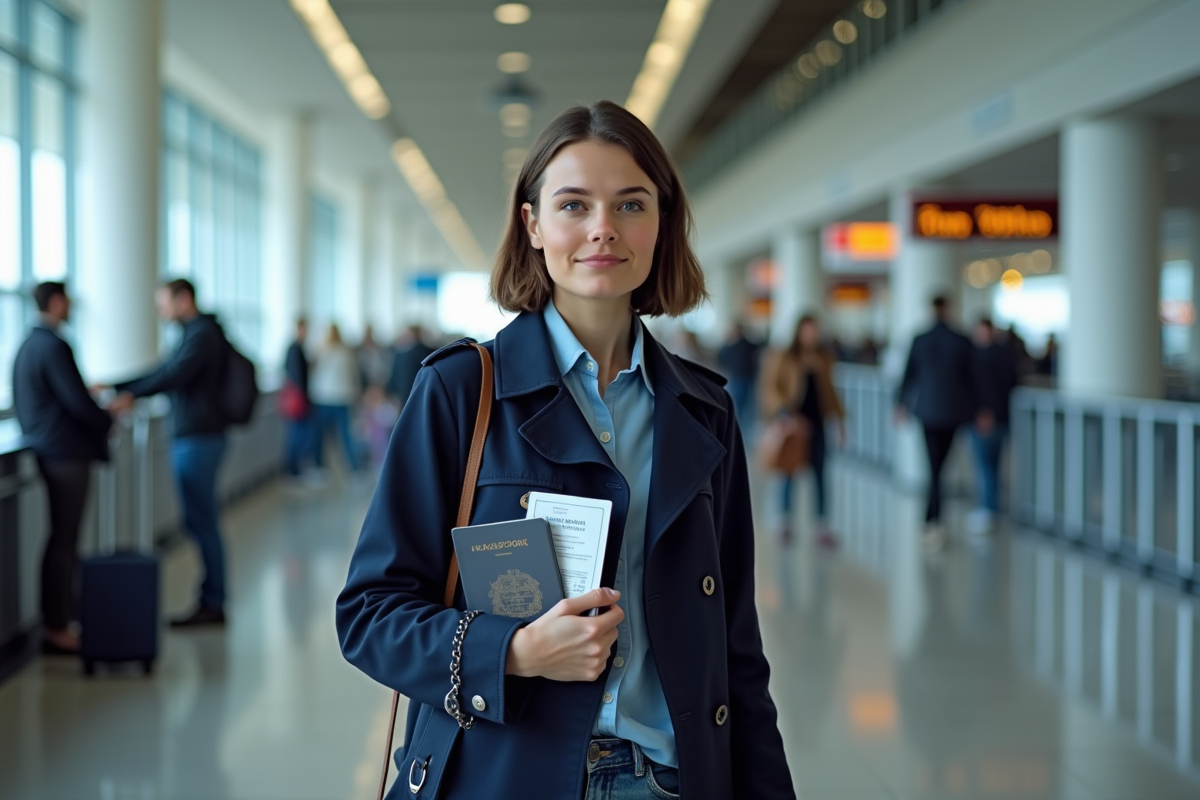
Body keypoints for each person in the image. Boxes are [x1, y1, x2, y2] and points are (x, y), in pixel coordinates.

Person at [337, 100, 794, 800]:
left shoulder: (704, 410)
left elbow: (735, 648)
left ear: (661, 223)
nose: (603, 229)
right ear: (533, 225)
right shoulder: (460, 391)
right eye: (574, 205)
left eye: (631, 205)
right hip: (505, 776)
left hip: (669, 781)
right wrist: (513, 652)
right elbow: (370, 613)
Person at [110, 279, 231, 627]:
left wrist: (128, 393)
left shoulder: (202, 334)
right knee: (201, 520)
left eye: (163, 302)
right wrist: (121, 386)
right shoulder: (196, 333)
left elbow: (173, 374)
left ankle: (213, 601)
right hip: (198, 436)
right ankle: (212, 597)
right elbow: (165, 370)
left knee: (202, 520)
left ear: (184, 299)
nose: (160, 311)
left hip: (199, 438)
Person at [12, 282, 114, 654]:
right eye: (68, 301)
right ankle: (58, 625)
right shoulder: (54, 346)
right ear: (56, 302)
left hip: (48, 449)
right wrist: (107, 416)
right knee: (64, 540)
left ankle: (62, 618)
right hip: (64, 453)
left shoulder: (28, 344)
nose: (72, 308)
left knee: (61, 539)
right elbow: (76, 402)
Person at [896, 296, 980, 551]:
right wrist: (980, 409)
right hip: (953, 412)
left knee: (934, 467)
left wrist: (900, 404)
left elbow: (908, 375)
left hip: (928, 412)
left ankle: (931, 521)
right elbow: (973, 379)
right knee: (940, 468)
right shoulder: (961, 340)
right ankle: (934, 521)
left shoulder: (920, 339)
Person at [760, 315, 846, 549]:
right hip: (793, 425)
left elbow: (830, 391)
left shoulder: (824, 358)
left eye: (814, 331)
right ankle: (785, 522)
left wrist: (840, 420)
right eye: (807, 331)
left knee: (820, 475)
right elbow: (771, 388)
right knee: (788, 472)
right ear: (799, 332)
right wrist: (786, 414)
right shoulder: (784, 356)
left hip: (817, 425)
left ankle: (822, 526)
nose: (811, 336)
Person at [968, 319, 1019, 535]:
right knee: (994, 466)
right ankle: (993, 507)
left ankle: (988, 509)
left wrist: (983, 412)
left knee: (985, 466)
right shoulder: (1007, 356)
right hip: (1004, 419)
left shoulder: (979, 358)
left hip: (985, 419)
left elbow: (981, 389)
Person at [309, 323, 362, 475]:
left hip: (323, 398)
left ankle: (319, 467)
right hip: (343, 397)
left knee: (321, 435)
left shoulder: (321, 351)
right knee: (346, 435)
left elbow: (314, 374)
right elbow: (354, 375)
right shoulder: (346, 352)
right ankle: (354, 467)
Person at [282, 317, 315, 481]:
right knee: (297, 434)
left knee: (299, 433)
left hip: (300, 397)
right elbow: (296, 375)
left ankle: (296, 469)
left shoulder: (299, 348)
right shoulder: (294, 348)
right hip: (298, 399)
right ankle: (292, 470)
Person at [716, 322, 762, 435]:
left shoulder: (740, 345)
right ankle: (742, 431)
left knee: (744, 407)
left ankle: (743, 431)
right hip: (738, 379)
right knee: (742, 407)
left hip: (744, 379)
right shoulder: (733, 346)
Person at [385, 324, 434, 408]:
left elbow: (393, 380)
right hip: (425, 396)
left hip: (406, 398)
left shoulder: (401, 355)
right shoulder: (430, 352)